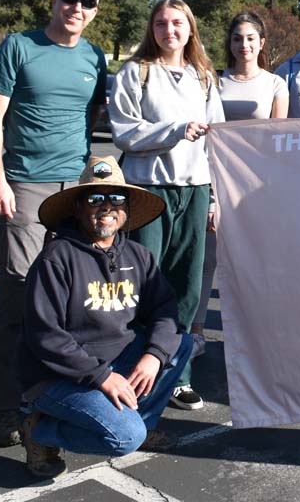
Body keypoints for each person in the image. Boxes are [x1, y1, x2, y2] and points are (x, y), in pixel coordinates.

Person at [0, 0, 108, 447]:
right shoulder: (19, 46)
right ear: (53, 1)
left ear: (94, 12)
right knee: (17, 295)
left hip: (74, 188)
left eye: (85, 3)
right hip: (25, 185)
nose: (76, 7)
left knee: (68, 299)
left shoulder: (94, 58)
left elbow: (89, 116)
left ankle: (53, 399)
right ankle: (5, 409)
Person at [19, 156, 192, 478]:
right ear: (77, 207)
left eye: (117, 199)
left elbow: (165, 310)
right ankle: (40, 430)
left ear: (126, 210)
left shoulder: (139, 255)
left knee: (181, 344)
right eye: (95, 198)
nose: (107, 207)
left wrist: (153, 356)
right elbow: (45, 335)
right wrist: (101, 377)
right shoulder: (56, 259)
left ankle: (144, 419)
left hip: (116, 360)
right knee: (124, 437)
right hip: (60, 376)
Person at [109, 0, 224, 412]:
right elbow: (125, 132)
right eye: (161, 23)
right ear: (151, 29)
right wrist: (175, 130)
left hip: (193, 189)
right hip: (148, 191)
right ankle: (131, 373)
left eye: (177, 23)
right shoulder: (136, 73)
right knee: (143, 284)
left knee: (187, 286)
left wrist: (214, 197)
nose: (169, 30)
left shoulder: (205, 77)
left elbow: (218, 140)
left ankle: (177, 375)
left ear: (190, 29)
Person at [188, 12, 289, 351]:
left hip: (255, 187)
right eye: (237, 38)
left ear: (261, 43)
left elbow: (276, 142)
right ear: (229, 43)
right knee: (206, 262)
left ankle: (254, 337)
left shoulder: (276, 84)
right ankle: (197, 332)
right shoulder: (211, 81)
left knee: (255, 263)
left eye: (250, 38)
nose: (243, 45)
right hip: (213, 180)